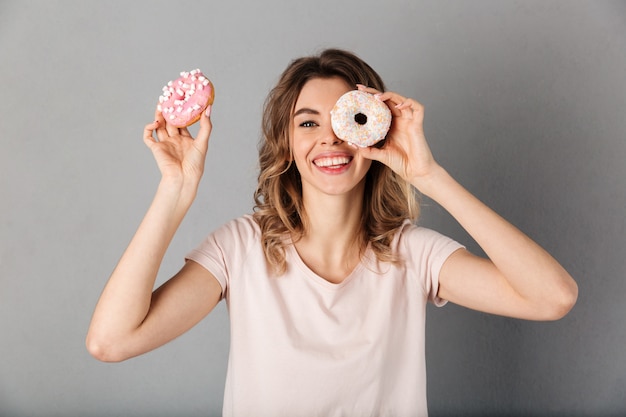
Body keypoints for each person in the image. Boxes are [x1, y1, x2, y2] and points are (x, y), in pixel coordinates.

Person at [86, 49, 578, 416]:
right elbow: (111, 342)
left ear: (376, 131)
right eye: (307, 122)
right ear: (286, 145)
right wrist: (176, 190)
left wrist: (429, 177)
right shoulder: (239, 248)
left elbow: (552, 298)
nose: (330, 138)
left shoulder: (414, 255)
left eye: (347, 120)